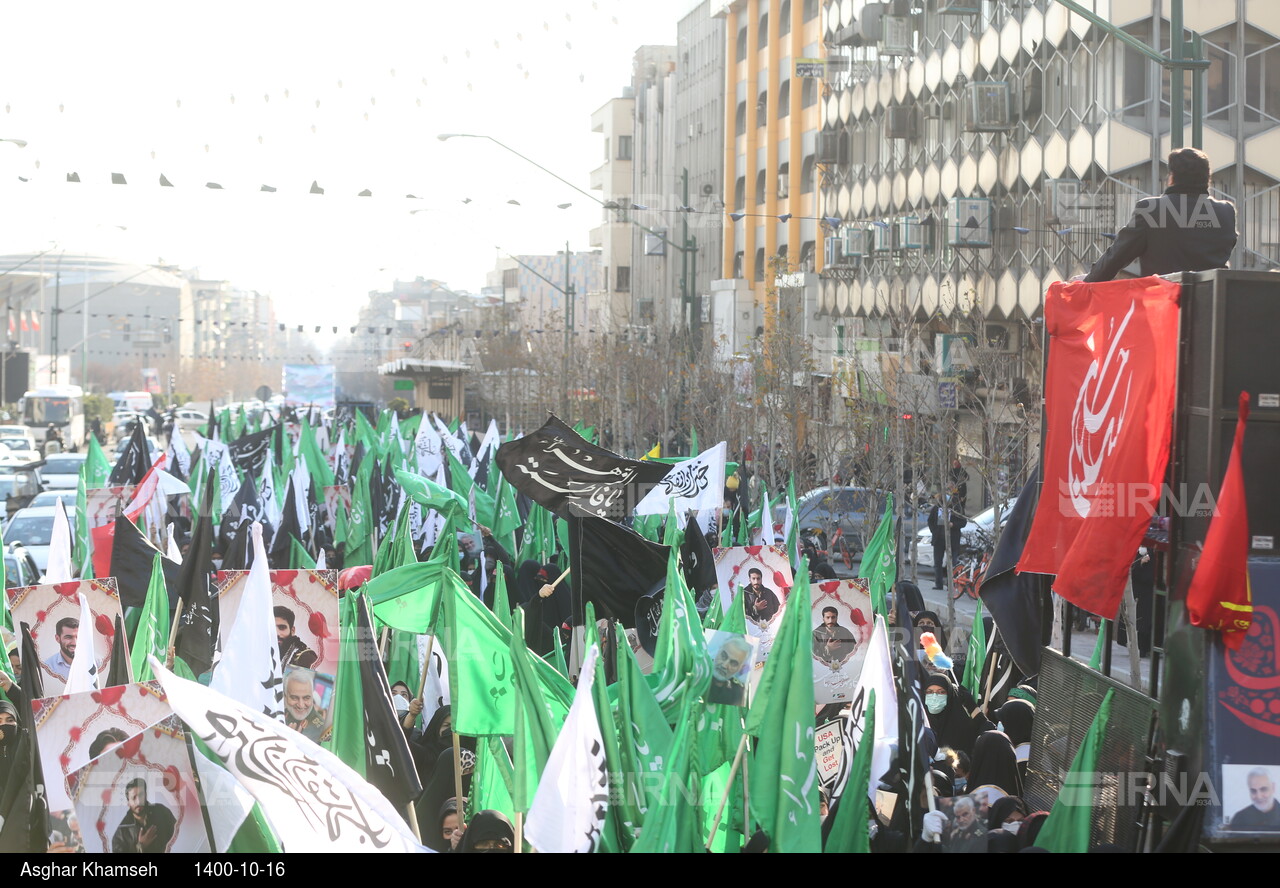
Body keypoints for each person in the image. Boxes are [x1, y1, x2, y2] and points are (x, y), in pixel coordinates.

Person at [1084, 147, 1237, 282]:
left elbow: (1117, 256)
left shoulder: (1151, 209)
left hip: (1164, 305)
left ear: (1172, 177)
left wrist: (1088, 279)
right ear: (1207, 178)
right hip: (1213, 306)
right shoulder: (1226, 211)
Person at [111, 778, 176, 853]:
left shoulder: (162, 811)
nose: (138, 801)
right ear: (128, 802)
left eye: (141, 795)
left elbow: (180, 837)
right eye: (134, 797)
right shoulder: (121, 832)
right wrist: (140, 847)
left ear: (146, 795)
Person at [927, 498, 965, 591]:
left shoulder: (957, 508)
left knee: (952, 563)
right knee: (938, 563)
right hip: (939, 540)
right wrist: (934, 531)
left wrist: (953, 524)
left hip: (952, 540)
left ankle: (951, 584)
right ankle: (938, 584)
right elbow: (930, 521)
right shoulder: (937, 508)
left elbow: (963, 522)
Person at [283, 668, 329, 742]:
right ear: (285, 697)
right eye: (294, 698)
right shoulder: (278, 714)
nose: (301, 705)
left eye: (306, 698)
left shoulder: (322, 730)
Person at [707, 636, 751, 706]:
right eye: (723, 656)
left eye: (733, 663)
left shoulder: (738, 694)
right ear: (718, 651)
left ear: (740, 668)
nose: (724, 665)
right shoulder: (699, 674)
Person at [43, 617, 79, 681]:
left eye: (79, 637)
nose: (75, 643)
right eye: (68, 637)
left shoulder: (97, 662)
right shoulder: (48, 667)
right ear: (57, 638)